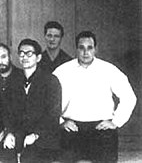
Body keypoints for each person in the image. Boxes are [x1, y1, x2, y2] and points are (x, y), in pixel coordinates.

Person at [53, 31, 137, 163]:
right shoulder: (62, 71)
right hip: (72, 128)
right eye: (81, 48)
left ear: (96, 49)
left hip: (102, 129)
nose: (85, 52)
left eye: (90, 48)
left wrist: (115, 122)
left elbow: (129, 97)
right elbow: (47, 100)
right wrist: (60, 122)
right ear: (76, 49)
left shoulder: (109, 70)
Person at [0, 39, 62, 163]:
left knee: (30, 158)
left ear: (38, 58)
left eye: (29, 53)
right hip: (20, 132)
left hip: (44, 134)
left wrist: (36, 135)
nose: (24, 57)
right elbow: (7, 111)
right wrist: (9, 132)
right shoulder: (13, 80)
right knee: (2, 153)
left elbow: (53, 114)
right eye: (21, 53)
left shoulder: (51, 81)